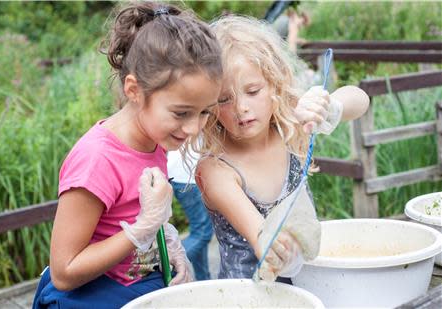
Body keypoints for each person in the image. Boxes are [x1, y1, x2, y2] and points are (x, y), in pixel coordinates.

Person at [32, 2, 223, 308]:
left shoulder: (155, 139)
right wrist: (142, 229)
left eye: (204, 112)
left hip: (136, 285)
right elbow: (64, 272)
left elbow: (129, 216)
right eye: (181, 112)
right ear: (134, 90)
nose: (193, 128)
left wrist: (166, 240)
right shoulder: (97, 160)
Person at [195, 15, 369, 282]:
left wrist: (330, 106)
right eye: (224, 99)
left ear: (275, 83)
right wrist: (280, 252)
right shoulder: (215, 169)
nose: (241, 108)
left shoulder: (290, 128)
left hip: (309, 285)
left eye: (252, 91)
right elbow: (264, 240)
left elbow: (361, 100)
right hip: (248, 297)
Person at [168, 148, 213, 280]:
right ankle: (169, 269)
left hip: (179, 173)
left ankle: (203, 279)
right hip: (190, 176)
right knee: (202, 234)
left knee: (198, 230)